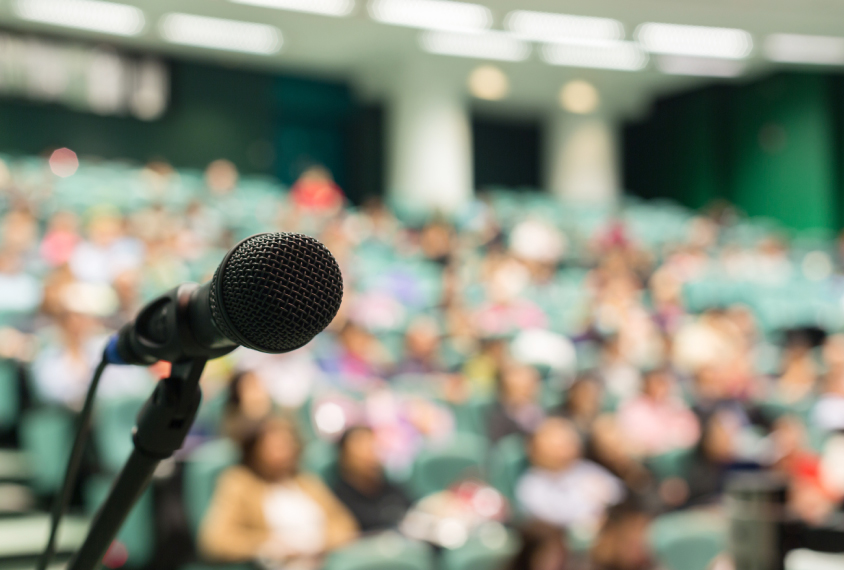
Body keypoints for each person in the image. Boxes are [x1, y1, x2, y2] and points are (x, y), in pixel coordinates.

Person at [199, 416, 358, 567]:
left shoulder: (305, 481)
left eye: (287, 444)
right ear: (255, 450)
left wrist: (313, 543)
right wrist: (270, 546)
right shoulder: (239, 483)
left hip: (321, 561)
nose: (284, 452)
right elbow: (216, 541)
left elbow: (345, 525)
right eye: (274, 446)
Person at [516, 417, 624, 532]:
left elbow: (618, 489)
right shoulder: (532, 485)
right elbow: (557, 519)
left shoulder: (581, 468)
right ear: (538, 450)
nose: (565, 450)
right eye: (558, 446)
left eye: (568, 443)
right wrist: (591, 503)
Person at [331, 426, 411, 532]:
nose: (369, 454)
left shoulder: (391, 489)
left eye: (372, 445)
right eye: (360, 447)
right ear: (344, 457)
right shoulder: (339, 502)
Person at [616, 368, 700, 457]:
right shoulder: (633, 405)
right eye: (657, 383)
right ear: (646, 384)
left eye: (664, 384)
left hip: (676, 454)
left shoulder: (675, 404)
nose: (661, 388)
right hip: (647, 456)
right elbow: (636, 438)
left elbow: (691, 432)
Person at [487, 364, 545, 444]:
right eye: (522, 389)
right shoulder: (499, 418)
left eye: (530, 387)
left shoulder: (543, 411)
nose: (527, 392)